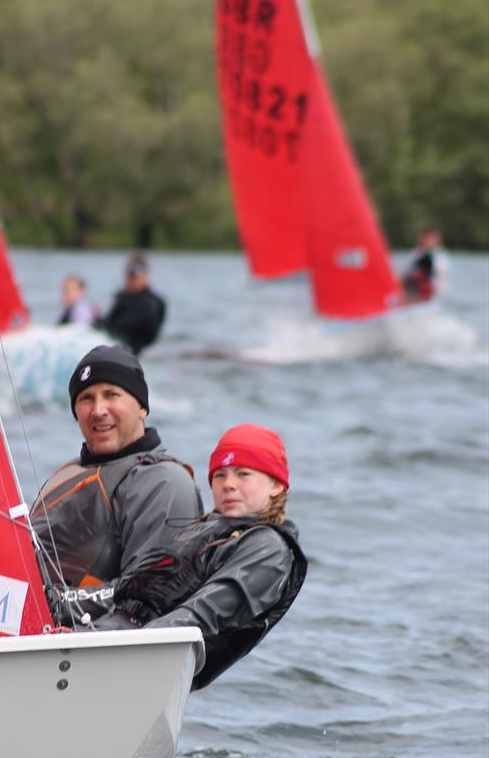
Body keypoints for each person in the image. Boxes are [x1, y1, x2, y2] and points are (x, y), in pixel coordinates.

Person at [62, 423, 307, 691]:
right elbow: (126, 589)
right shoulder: (197, 532)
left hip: (141, 660)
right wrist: (58, 602)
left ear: (276, 485)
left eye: (243, 474)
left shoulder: (268, 549)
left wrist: (128, 649)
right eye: (220, 476)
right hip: (110, 633)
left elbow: (201, 615)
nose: (229, 485)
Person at [30, 344, 203, 599]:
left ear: (142, 408)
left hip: (86, 632)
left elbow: (149, 593)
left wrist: (55, 604)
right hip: (23, 624)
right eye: (86, 398)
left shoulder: (165, 483)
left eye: (111, 395)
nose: (98, 410)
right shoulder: (67, 474)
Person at [97, 253, 166, 354]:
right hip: (115, 345)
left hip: (130, 351)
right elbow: (111, 325)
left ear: (146, 276)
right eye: (129, 276)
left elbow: (122, 328)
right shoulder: (121, 297)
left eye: (135, 277)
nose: (131, 281)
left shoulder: (152, 303)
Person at [401, 228, 449, 302]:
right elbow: (405, 274)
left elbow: (439, 273)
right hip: (415, 292)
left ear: (437, 241)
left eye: (430, 239)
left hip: (434, 294)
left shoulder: (440, 257)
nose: (427, 241)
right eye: (425, 238)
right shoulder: (415, 254)